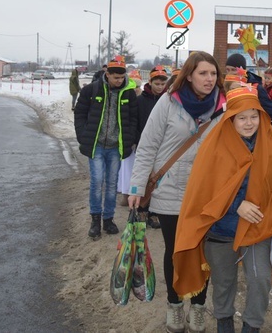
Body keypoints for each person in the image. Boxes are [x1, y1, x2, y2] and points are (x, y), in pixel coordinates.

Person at [173, 85, 272, 333]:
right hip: (221, 229)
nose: (249, 123)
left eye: (254, 116)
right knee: (224, 283)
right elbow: (203, 192)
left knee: (260, 280)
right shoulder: (213, 147)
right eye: (242, 117)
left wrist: (271, 214)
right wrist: (236, 205)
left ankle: (252, 326)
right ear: (231, 118)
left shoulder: (271, 147)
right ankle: (224, 325)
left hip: (257, 228)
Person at [127, 52, 226, 333]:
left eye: (213, 74)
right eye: (203, 73)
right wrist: (136, 187)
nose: (209, 79)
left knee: (201, 253)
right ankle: (174, 305)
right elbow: (147, 146)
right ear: (189, 75)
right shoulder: (169, 102)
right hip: (170, 189)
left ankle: (198, 307)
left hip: (205, 192)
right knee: (175, 251)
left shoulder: (223, 105)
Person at [74, 55, 138, 239]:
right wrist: (82, 134)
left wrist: (129, 138)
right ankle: (95, 220)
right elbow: (80, 113)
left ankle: (108, 219)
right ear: (107, 74)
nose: (119, 80)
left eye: (122, 77)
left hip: (115, 147)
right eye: (115, 77)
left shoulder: (128, 93)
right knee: (97, 182)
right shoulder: (91, 90)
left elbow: (133, 119)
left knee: (111, 185)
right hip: (96, 146)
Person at [128, 65, 169, 228]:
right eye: (157, 84)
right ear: (150, 82)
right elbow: (136, 122)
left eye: (162, 84)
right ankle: (142, 208)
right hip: (145, 145)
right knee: (145, 178)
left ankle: (154, 212)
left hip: (163, 147)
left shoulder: (168, 102)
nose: (160, 87)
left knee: (158, 179)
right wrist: (136, 140)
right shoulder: (140, 101)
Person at [224, 53, 272, 130]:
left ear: (243, 70)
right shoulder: (223, 88)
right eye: (227, 70)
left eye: (234, 70)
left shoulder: (256, 89)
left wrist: (256, 134)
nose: (230, 73)